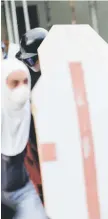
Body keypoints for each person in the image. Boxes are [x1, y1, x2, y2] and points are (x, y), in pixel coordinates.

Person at [1, 59, 48, 219]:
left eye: (25, 82)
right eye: (14, 83)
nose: (21, 88)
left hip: (26, 189)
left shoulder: (35, 112)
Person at [17, 27, 48, 202]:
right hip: (32, 137)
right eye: (27, 60)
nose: (31, 64)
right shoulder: (23, 73)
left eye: (33, 59)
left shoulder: (62, 71)